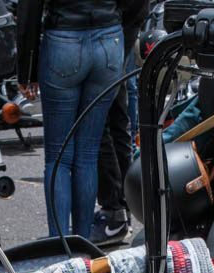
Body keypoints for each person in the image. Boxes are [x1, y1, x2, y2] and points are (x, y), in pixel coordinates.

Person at [17, 0, 132, 239]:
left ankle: (59, 247)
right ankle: (81, 244)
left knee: (58, 158)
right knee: (87, 155)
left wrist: (26, 70)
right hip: (110, 40)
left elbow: (29, 9)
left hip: (64, 40)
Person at [92, 0, 146, 246]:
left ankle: (116, 210)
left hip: (112, 25)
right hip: (120, 23)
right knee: (114, 116)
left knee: (101, 120)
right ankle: (122, 206)